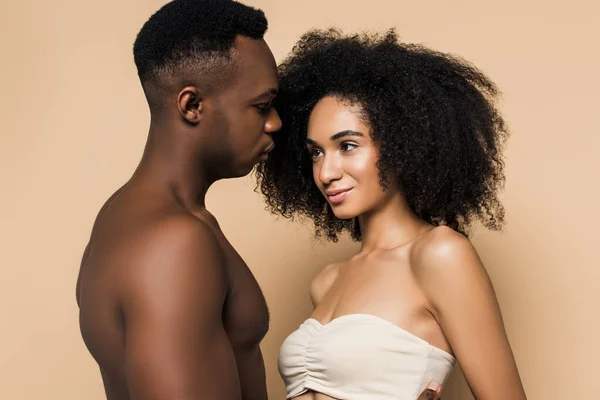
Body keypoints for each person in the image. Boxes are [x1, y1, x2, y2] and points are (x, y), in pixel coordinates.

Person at [256, 29, 527, 399]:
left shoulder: (440, 255)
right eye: (316, 152)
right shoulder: (326, 282)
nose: (326, 172)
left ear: (403, 145)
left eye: (347, 146)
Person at [76, 1, 282, 399]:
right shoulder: (175, 242)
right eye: (261, 106)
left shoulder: (121, 216)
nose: (275, 122)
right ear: (192, 105)